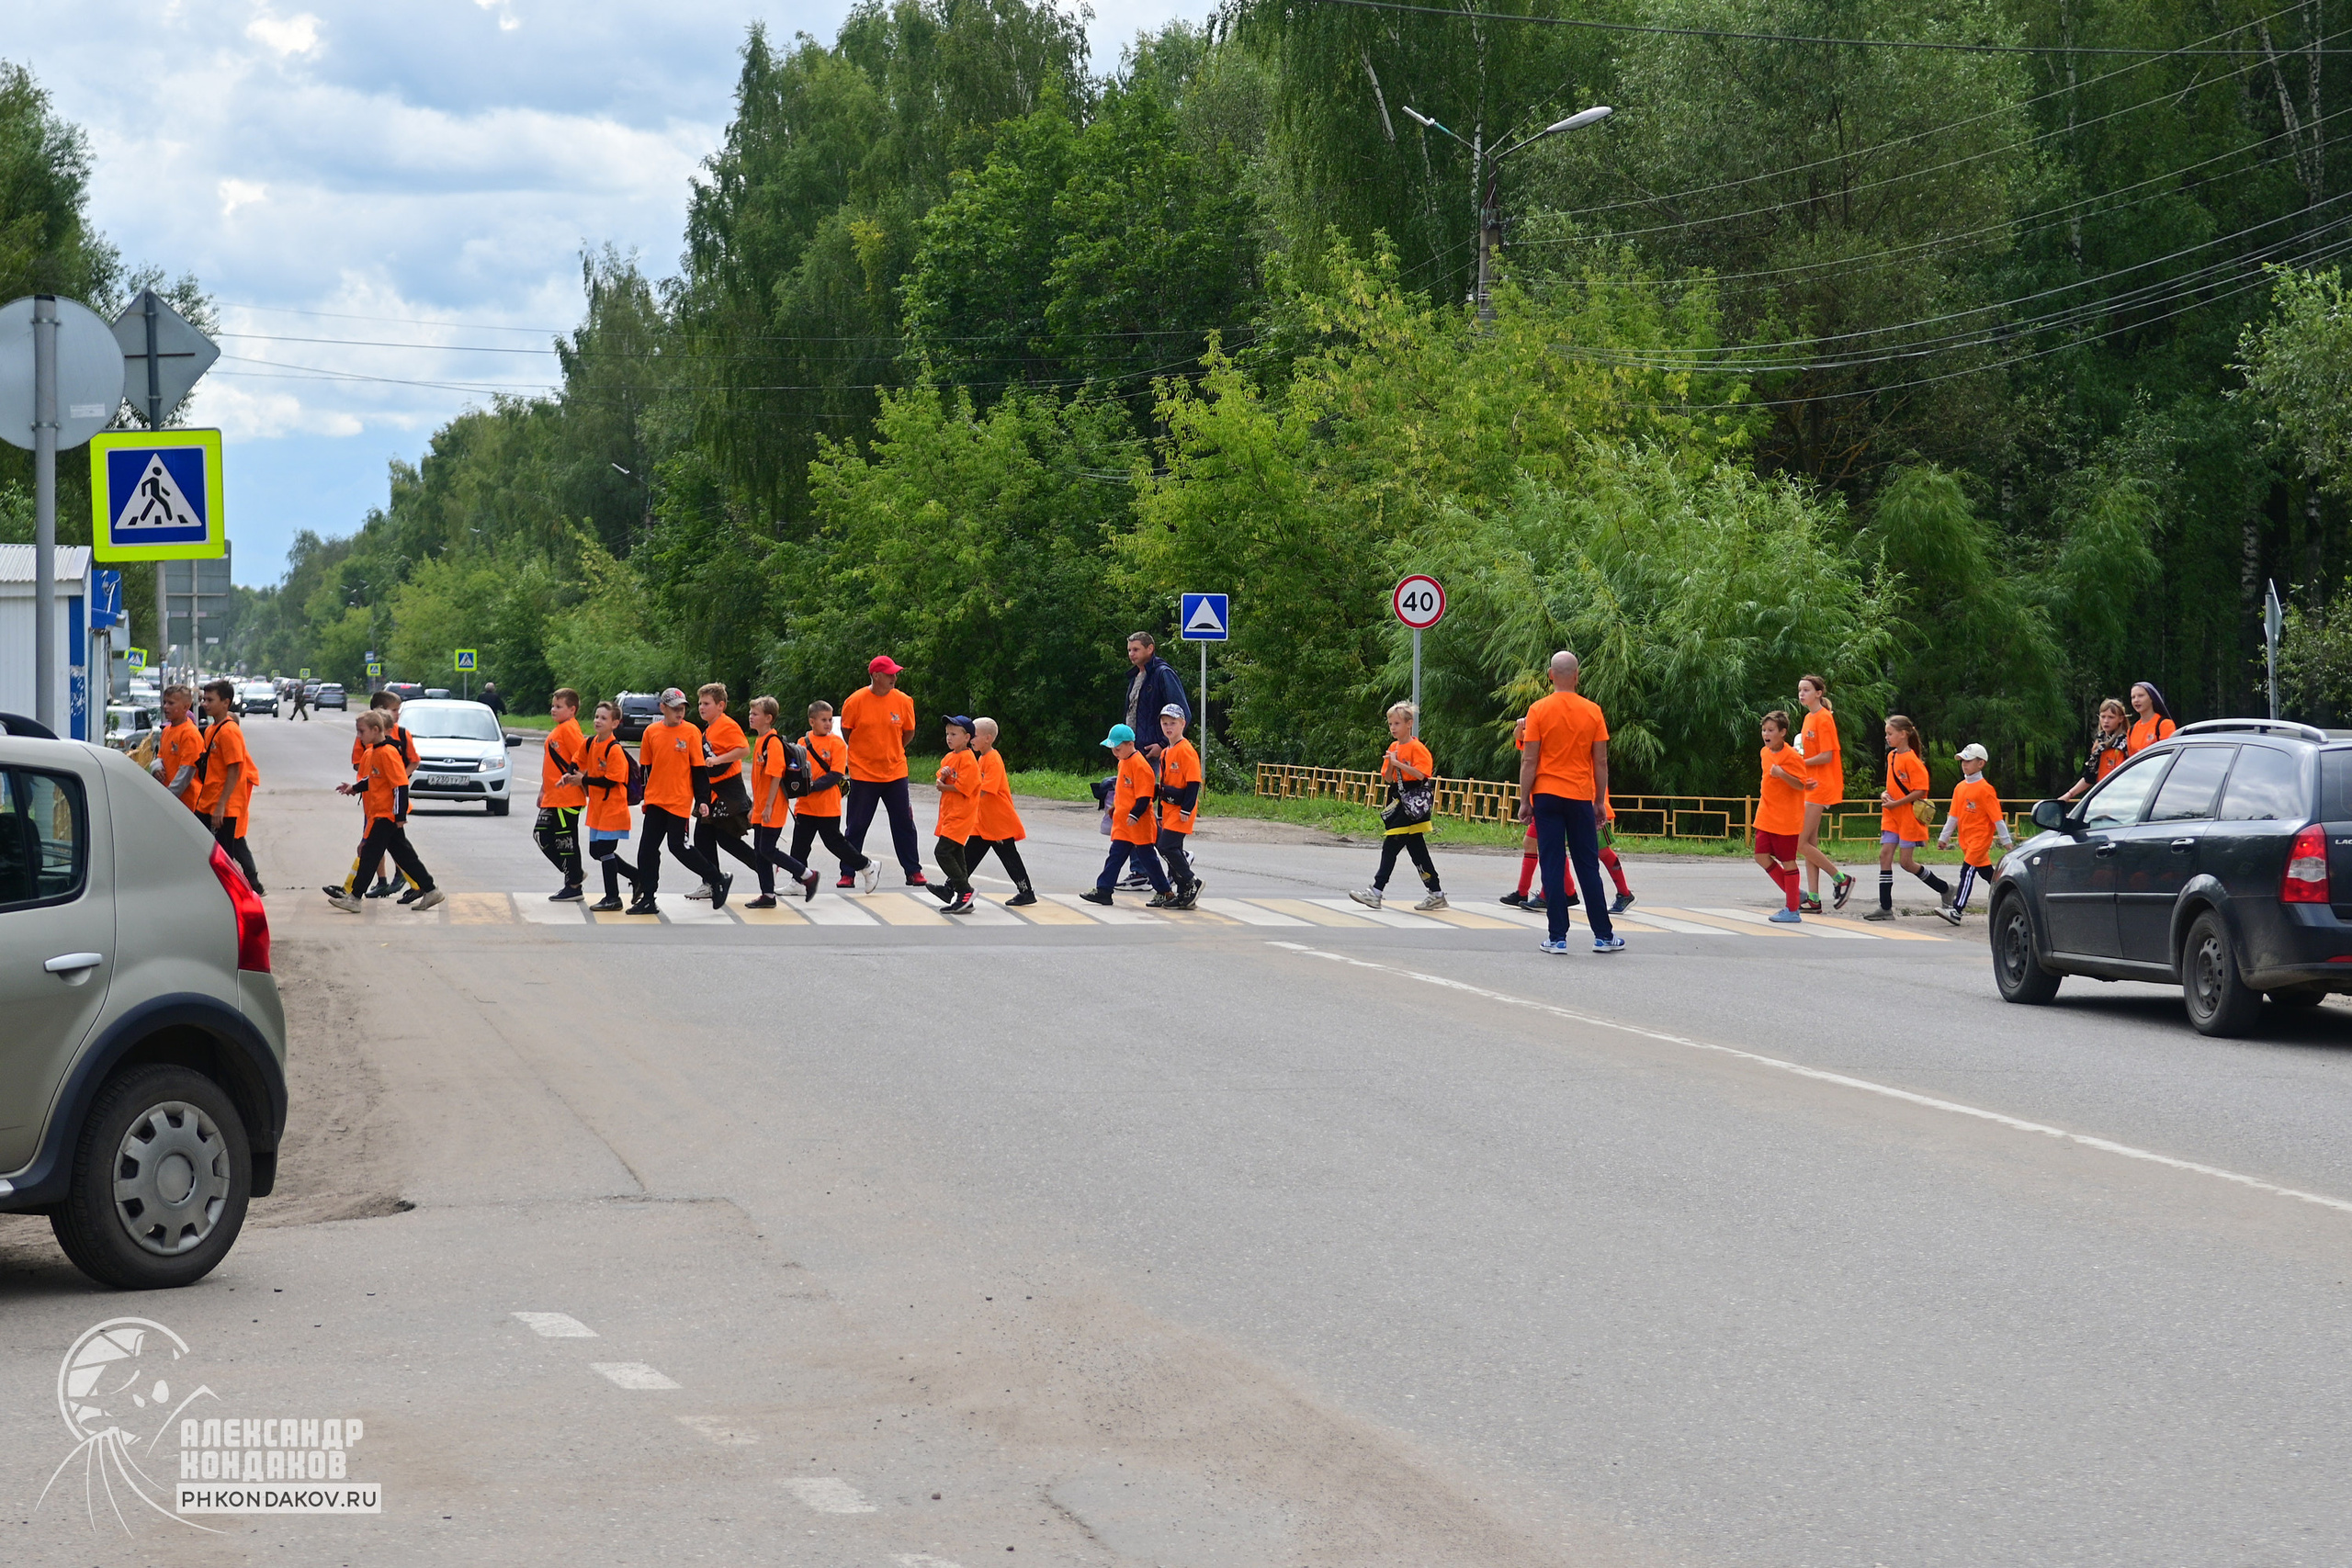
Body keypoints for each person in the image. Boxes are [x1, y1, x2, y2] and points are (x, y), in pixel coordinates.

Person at [1516, 651, 1622, 954]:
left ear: (1550, 675)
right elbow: (1600, 761)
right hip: (1580, 796)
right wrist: (1599, 801)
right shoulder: (1592, 711)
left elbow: (1529, 759)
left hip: (1546, 796)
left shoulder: (1538, 710)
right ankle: (1603, 935)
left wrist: (1525, 800)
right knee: (1588, 864)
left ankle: (1557, 937)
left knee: (1551, 862)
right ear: (1576, 675)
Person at [1499, 717, 1634, 914]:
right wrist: (1522, 729)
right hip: (1563, 799)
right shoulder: (1555, 737)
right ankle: (1554, 893)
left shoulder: (1577, 736)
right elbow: (1528, 748)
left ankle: (1623, 893)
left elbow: (1596, 765)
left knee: (1600, 851)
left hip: (1583, 799)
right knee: (1553, 846)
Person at [328, 710, 444, 913]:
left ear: (375, 730)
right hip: (383, 814)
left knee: (370, 855)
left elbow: (400, 785)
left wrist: (399, 816)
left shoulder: (388, 752)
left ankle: (354, 898)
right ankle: (431, 889)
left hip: (387, 815)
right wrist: (354, 788)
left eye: (361, 732)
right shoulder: (377, 751)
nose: (359, 736)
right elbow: (374, 779)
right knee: (405, 855)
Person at [632, 686, 728, 913]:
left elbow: (698, 770)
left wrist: (702, 799)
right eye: (675, 708)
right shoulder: (651, 732)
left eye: (683, 707)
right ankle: (648, 898)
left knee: (678, 847)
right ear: (663, 708)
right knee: (647, 850)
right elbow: (646, 768)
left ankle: (716, 878)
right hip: (656, 800)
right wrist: (645, 795)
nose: (680, 712)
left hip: (678, 800)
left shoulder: (691, 732)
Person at [1352, 702, 1446, 911]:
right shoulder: (1394, 747)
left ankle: (1376, 891)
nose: (1393, 728)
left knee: (1390, 846)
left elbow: (1421, 774)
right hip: (1398, 799)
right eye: (1390, 724)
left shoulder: (1417, 748)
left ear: (1409, 724)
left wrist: (1399, 764)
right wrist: (1390, 764)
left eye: (1397, 723)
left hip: (1413, 803)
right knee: (1417, 851)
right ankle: (1436, 892)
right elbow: (1387, 778)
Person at [841, 656, 925, 886]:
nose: (894, 678)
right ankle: (848, 872)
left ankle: (913, 871)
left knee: (904, 823)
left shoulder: (904, 701)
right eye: (890, 674)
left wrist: (892, 749)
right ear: (876, 675)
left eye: (895, 673)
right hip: (863, 773)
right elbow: (847, 732)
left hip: (895, 771)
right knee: (857, 824)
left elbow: (908, 733)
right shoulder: (855, 701)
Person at [1866, 714, 1952, 921]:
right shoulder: (1891, 756)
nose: (1887, 737)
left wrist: (1896, 802)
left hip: (1909, 817)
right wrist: (1884, 795)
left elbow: (1921, 790)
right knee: (1885, 855)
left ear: (1903, 734)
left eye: (1890, 733)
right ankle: (1885, 907)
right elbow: (1891, 786)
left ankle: (1945, 888)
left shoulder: (1913, 760)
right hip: (1891, 816)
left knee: (1906, 862)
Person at [742, 695, 820, 908]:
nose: (751, 716)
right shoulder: (760, 740)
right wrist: (755, 807)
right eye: (751, 713)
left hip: (773, 806)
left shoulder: (773, 742)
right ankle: (768, 895)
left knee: (767, 849)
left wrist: (767, 806)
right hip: (761, 806)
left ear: (768, 718)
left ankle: (807, 875)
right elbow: (761, 780)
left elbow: (776, 775)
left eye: (755, 714)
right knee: (760, 852)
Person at [688, 683, 763, 900]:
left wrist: (716, 760)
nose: (701, 707)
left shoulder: (726, 725)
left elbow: (743, 749)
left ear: (721, 705)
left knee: (724, 839)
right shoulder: (710, 727)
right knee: (705, 837)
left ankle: (761, 867)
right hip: (712, 791)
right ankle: (712, 881)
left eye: (706, 703)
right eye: (700, 703)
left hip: (727, 790)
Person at [1081, 724, 1170, 905]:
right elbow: (1124, 791)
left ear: (1130, 744)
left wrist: (1135, 815)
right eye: (1112, 749)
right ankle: (1104, 890)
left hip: (1138, 824)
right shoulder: (1123, 762)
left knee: (1148, 859)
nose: (1115, 752)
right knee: (1115, 857)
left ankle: (1165, 891)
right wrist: (1116, 807)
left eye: (1118, 748)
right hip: (1123, 824)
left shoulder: (1141, 766)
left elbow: (1145, 796)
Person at [794, 700, 876, 891]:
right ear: (811, 721)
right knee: (800, 844)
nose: (828, 724)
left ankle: (867, 867)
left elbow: (835, 774)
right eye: (824, 720)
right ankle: (797, 880)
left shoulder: (837, 743)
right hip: (805, 805)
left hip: (827, 806)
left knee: (835, 843)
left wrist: (811, 787)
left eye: (830, 719)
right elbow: (796, 769)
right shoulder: (802, 743)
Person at [191, 680, 262, 893]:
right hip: (207, 800)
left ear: (226, 702)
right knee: (202, 845)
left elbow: (235, 769)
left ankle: (234, 893)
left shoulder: (229, 731)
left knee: (224, 855)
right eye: (204, 699)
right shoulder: (212, 729)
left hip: (224, 804)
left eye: (210, 700)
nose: (205, 703)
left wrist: (221, 805)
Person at [1935, 742, 2013, 926]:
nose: (1964, 764)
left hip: (1980, 840)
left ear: (1981, 763)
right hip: (1966, 841)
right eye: (1962, 760)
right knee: (1989, 875)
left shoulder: (1986, 789)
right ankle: (2009, 899)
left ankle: (1957, 910)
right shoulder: (1960, 788)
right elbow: (1953, 816)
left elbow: (1997, 819)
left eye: (1968, 761)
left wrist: (2006, 841)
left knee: (1967, 872)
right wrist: (1943, 838)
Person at [1793, 674, 1853, 911]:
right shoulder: (1808, 718)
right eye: (1800, 690)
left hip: (1821, 785)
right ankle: (1814, 899)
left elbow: (1827, 755)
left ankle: (1841, 879)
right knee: (1810, 842)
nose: (1801, 694)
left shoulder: (1824, 718)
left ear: (1818, 693)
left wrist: (1801, 763)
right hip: (1811, 784)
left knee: (1799, 843)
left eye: (1806, 689)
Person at [1753, 710, 1815, 924]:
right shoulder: (1764, 753)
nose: (1766, 734)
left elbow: (1801, 784)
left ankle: (1792, 909)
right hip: (1766, 814)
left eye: (1771, 730)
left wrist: (1782, 774)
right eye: (1764, 730)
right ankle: (1795, 894)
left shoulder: (1792, 757)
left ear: (1783, 732)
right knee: (1761, 856)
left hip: (1786, 819)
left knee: (1788, 861)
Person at [967, 717, 1035, 906]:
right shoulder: (981, 758)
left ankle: (1026, 891)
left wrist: (964, 797)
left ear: (988, 738)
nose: (971, 738)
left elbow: (985, 789)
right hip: (985, 822)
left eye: (974, 735)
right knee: (968, 855)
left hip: (998, 821)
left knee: (1009, 857)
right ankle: (953, 887)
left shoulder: (993, 759)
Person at [581, 699, 641, 912]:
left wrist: (583, 780)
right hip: (597, 810)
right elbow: (576, 760)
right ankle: (636, 876)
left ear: (615, 723)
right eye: (597, 717)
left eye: (604, 718)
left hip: (613, 809)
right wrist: (570, 773)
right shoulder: (591, 743)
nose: (598, 721)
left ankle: (613, 897)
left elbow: (611, 780)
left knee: (605, 851)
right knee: (595, 851)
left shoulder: (614, 750)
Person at [535, 687, 589, 902]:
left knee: (566, 841)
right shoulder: (561, 728)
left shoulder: (569, 730)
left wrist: (581, 780)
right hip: (553, 795)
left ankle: (573, 884)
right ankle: (574, 873)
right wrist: (543, 789)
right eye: (553, 705)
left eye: (559, 706)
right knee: (542, 835)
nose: (553, 710)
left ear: (572, 710)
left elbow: (583, 758)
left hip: (567, 796)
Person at [1152, 705, 1204, 909]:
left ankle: (1191, 882)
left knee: (1166, 846)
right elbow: (1164, 784)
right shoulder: (1166, 752)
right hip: (1169, 808)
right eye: (1165, 723)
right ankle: (1183, 892)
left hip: (1182, 808)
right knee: (1173, 848)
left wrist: (1186, 809)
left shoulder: (1186, 751)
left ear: (1183, 724)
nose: (1168, 727)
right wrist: (1161, 812)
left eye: (1172, 723)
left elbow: (1193, 783)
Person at [930, 716, 983, 915]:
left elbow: (966, 787)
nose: (949, 738)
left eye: (954, 734)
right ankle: (962, 897)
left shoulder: (968, 759)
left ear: (967, 737)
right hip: (949, 813)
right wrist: (942, 777)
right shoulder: (950, 757)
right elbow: (940, 778)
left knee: (942, 852)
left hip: (961, 814)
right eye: (947, 734)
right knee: (956, 853)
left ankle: (964, 890)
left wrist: (944, 785)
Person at [1122, 632, 1189, 764]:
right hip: (1134, 750)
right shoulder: (1135, 676)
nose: (1131, 654)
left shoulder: (1163, 673)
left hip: (1155, 752)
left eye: (1136, 649)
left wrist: (1163, 744)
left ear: (1150, 649)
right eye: (1129, 650)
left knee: (1155, 785)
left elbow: (1182, 712)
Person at [2060, 698, 2132, 803]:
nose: (2106, 721)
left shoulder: (2125, 743)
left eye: (2111, 717)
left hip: (2121, 798)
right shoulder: (2099, 744)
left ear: (2120, 719)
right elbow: (2090, 776)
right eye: (2103, 717)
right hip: (2103, 797)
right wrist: (2069, 795)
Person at [153, 683, 203, 806]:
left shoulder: (190, 734)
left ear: (186, 707)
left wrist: (167, 798)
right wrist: (157, 767)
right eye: (165, 702)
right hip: (171, 800)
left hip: (186, 804)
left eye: (171, 703)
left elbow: (186, 773)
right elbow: (160, 757)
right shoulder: (166, 731)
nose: (166, 707)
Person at [2125, 682, 2177, 756]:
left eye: (2140, 696)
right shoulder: (2131, 731)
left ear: (2152, 698)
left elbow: (2168, 755)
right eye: (2133, 697)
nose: (2136, 700)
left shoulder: (2164, 724)